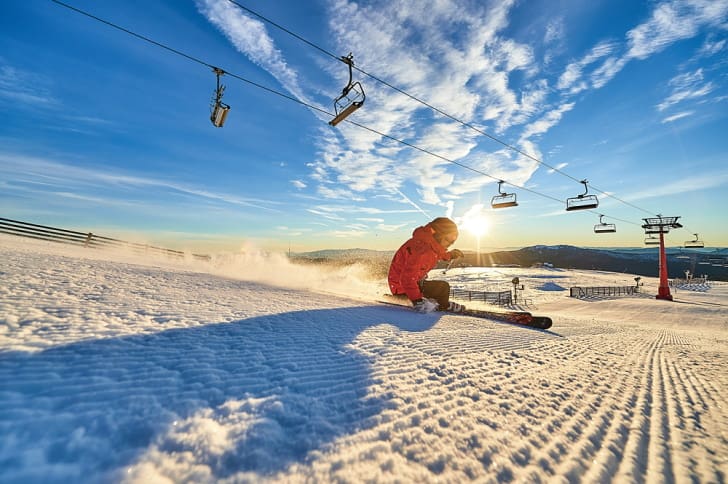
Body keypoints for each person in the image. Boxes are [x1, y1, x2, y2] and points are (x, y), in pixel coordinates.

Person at [388, 217, 465, 313]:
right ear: (438, 234)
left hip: (407, 284)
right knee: (443, 287)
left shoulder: (428, 243)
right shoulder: (422, 249)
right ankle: (443, 305)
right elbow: (407, 278)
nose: (450, 244)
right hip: (402, 287)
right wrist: (417, 300)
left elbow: (437, 253)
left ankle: (440, 302)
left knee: (440, 288)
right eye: (448, 240)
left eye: (452, 242)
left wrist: (450, 255)